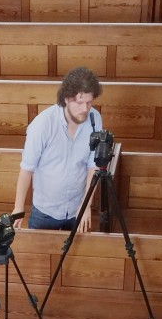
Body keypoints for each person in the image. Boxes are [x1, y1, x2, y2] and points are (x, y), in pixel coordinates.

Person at [12, 67, 103, 234]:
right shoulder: (42, 124)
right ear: (67, 99)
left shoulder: (94, 119)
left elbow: (93, 165)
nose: (85, 108)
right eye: (79, 102)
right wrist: (18, 207)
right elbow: (27, 168)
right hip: (45, 211)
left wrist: (86, 204)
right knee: (41, 258)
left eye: (89, 102)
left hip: (78, 207)